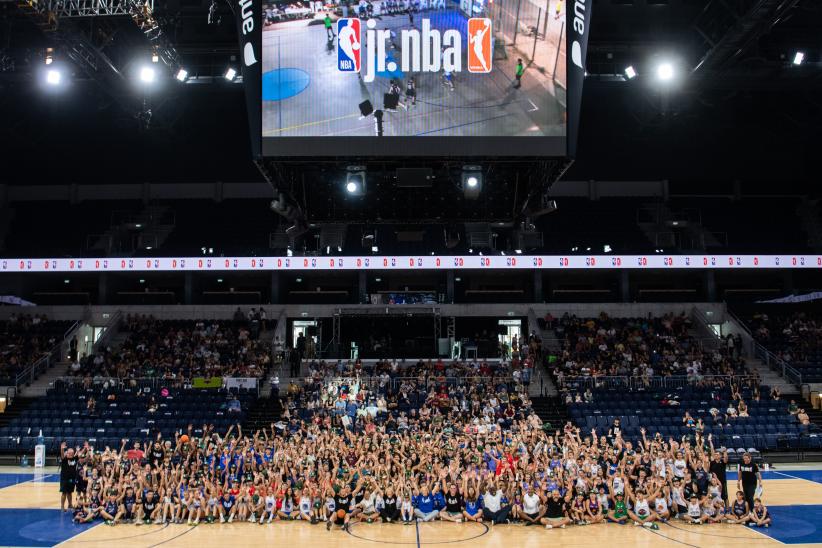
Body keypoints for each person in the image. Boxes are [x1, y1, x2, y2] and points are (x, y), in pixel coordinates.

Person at [59, 442, 79, 512]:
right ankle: (62, 506)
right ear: (67, 453)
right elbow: (62, 456)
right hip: (64, 478)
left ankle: (70, 504)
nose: (71, 454)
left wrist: (85, 448)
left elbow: (79, 454)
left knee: (70, 492)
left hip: (72, 478)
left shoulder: (74, 458)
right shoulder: (64, 459)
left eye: (72, 453)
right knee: (64, 492)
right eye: (70, 453)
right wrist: (62, 449)